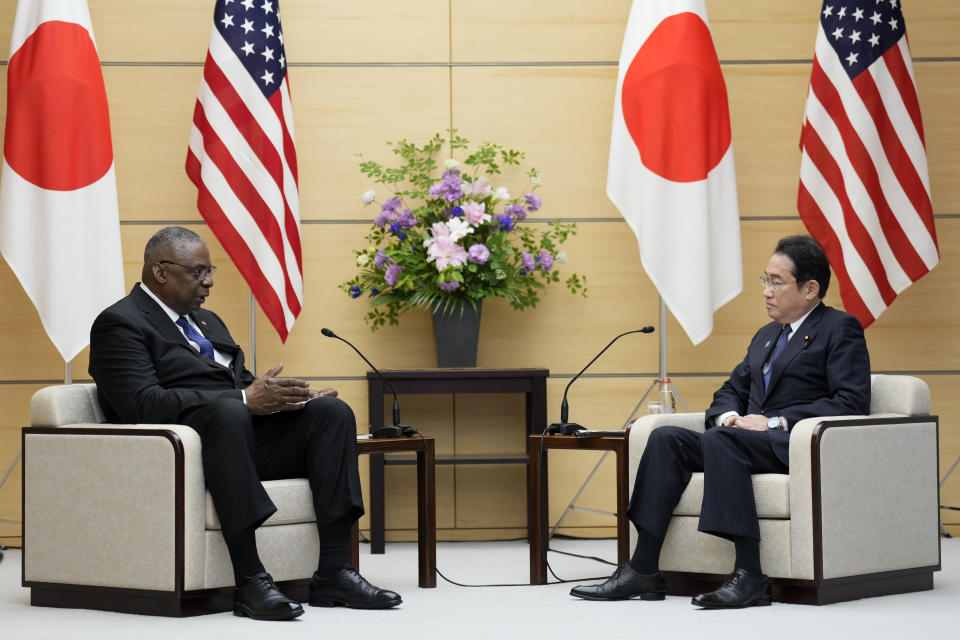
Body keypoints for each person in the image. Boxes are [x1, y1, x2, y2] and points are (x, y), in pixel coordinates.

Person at [89, 226, 401, 620]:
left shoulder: (206, 321)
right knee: (229, 411)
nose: (210, 281)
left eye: (211, 270)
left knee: (330, 415)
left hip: (237, 440)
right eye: (198, 272)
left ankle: (335, 573)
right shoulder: (120, 323)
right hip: (186, 455)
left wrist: (282, 399)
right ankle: (251, 581)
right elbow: (140, 405)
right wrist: (241, 399)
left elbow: (237, 383)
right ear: (160, 271)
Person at [570, 235, 871, 609]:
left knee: (721, 441)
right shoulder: (765, 336)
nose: (766, 291)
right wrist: (730, 416)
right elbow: (730, 390)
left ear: (811, 288)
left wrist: (775, 422)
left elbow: (851, 401)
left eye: (777, 282)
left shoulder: (840, 328)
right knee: (666, 439)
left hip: (794, 444)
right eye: (766, 280)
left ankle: (749, 575)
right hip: (744, 442)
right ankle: (643, 568)